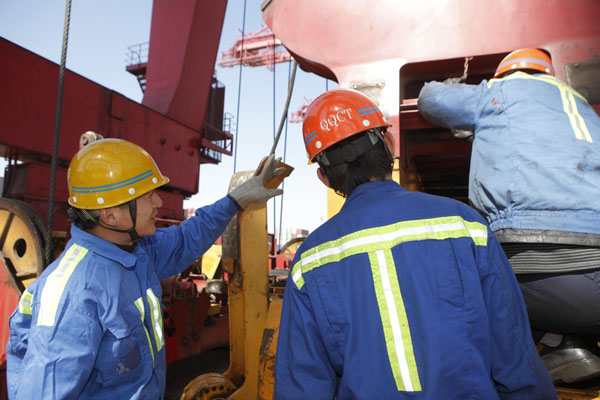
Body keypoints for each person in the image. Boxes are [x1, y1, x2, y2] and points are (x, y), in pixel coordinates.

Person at [273, 88, 555, 399]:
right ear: (389, 144)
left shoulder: (310, 260)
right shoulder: (464, 225)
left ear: (324, 178)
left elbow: (302, 387)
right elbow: (514, 355)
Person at [6, 138, 284, 399]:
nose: (158, 203)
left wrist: (235, 201)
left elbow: (187, 237)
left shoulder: (136, 251)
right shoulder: (73, 294)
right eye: (148, 196)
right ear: (110, 215)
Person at [417, 48, 600, 384]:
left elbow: (430, 100)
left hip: (546, 273)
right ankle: (570, 344)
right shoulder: (580, 105)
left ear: (504, 73)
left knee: (459, 282)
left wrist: (455, 85)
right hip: (589, 278)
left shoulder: (498, 91)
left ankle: (524, 364)